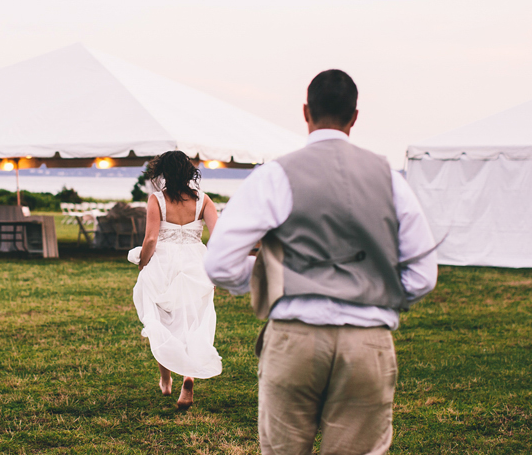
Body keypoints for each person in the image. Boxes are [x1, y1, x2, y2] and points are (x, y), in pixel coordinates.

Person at [204, 69, 439, 454]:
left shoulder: (276, 175)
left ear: (305, 112)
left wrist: (267, 279)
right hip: (367, 342)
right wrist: (380, 291)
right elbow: (423, 274)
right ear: (355, 116)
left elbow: (219, 264)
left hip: (294, 338)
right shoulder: (390, 179)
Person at [130, 150, 223, 410]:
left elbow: (150, 240)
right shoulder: (204, 201)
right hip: (195, 265)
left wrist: (143, 264)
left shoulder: (156, 200)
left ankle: (165, 378)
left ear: (163, 173)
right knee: (192, 321)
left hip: (164, 265)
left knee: (162, 321)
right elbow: (217, 239)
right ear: (188, 171)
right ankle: (188, 377)